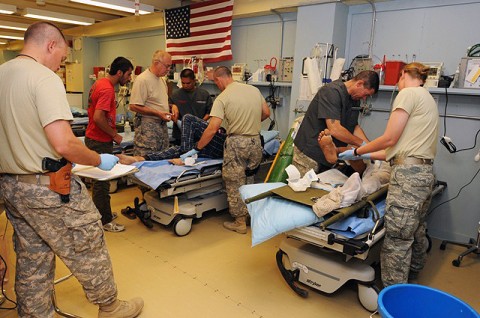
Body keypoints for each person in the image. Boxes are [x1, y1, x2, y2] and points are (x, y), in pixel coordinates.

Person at [0, 22, 143, 317]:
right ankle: (110, 306)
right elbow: (64, 143)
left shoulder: (2, 75)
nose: (59, 65)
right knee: (88, 241)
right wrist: (96, 159)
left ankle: (34, 312)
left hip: (12, 186)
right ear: (51, 45)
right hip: (48, 188)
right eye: (62, 58)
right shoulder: (43, 78)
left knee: (32, 254)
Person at [338, 62, 438, 287]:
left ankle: (391, 293)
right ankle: (413, 274)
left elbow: (390, 138)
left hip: (408, 177)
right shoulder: (427, 98)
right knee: (416, 229)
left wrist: (357, 151)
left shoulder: (407, 94)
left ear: (403, 75)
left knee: (397, 238)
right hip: (423, 173)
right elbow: (395, 151)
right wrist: (366, 155)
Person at [185, 66, 270, 234]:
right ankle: (250, 215)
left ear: (218, 80)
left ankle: (239, 222)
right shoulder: (253, 90)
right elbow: (266, 112)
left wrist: (197, 148)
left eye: (216, 83)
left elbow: (212, 129)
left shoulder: (222, 98)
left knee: (234, 181)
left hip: (237, 142)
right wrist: (251, 121)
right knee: (249, 179)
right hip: (255, 141)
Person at [293, 70, 379, 176]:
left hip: (330, 156)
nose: (364, 98)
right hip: (309, 152)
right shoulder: (331, 92)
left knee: (322, 188)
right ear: (359, 84)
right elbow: (335, 129)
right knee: (303, 187)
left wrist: (371, 147)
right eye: (365, 94)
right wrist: (362, 144)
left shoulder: (355, 98)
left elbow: (354, 127)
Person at [85, 57, 133, 233]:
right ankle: (104, 221)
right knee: (102, 182)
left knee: (100, 181)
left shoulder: (100, 83)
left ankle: (103, 212)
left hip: (94, 137)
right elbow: (98, 118)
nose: (129, 78)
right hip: (100, 140)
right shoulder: (107, 89)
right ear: (119, 72)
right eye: (128, 74)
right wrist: (115, 135)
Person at [117, 114, 225, 164]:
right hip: (211, 148)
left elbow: (213, 129)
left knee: (188, 119)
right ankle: (139, 159)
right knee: (176, 150)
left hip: (223, 143)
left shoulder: (223, 102)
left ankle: (185, 158)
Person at [129, 50, 173, 157]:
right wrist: (158, 113)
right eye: (166, 66)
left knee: (162, 158)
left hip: (161, 126)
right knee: (145, 158)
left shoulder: (162, 80)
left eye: (170, 66)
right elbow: (134, 105)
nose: (168, 69)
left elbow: (158, 102)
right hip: (148, 127)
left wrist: (171, 108)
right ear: (156, 63)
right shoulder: (142, 80)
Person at [169, 68, 213, 145]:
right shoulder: (175, 95)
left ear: (194, 81)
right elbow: (169, 111)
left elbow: (210, 112)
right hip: (180, 135)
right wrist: (173, 109)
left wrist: (199, 123)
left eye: (188, 83)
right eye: (183, 83)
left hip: (199, 135)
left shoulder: (204, 94)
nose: (185, 85)